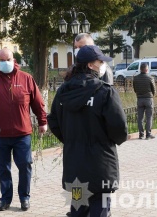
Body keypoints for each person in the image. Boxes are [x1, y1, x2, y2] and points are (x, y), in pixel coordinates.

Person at [47, 45, 128, 217]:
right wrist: (108, 141)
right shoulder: (105, 91)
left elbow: (53, 121)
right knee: (101, 210)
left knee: (78, 208)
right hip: (101, 164)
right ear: (90, 65)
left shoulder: (63, 91)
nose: (102, 65)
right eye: (100, 62)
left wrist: (70, 139)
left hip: (75, 163)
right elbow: (119, 128)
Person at [0, 47, 48, 212]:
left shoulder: (26, 78)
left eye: (8, 59)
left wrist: (42, 122)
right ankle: (5, 199)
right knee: (2, 168)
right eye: (2, 60)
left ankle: (24, 198)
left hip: (22, 134)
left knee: (25, 165)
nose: (5, 63)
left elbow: (38, 102)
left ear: (14, 60)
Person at [133, 63, 156, 140]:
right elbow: (154, 90)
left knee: (140, 118)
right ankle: (148, 134)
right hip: (148, 99)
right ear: (146, 69)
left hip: (139, 99)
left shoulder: (135, 78)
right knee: (149, 117)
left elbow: (135, 89)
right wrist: (151, 94)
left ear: (140, 69)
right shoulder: (150, 78)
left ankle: (141, 134)